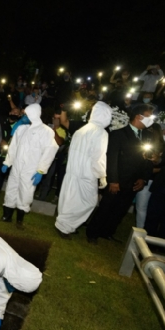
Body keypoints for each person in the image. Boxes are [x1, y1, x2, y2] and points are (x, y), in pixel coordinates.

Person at [86, 104, 155, 243]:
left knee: (120, 210)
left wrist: (144, 178)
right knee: (106, 207)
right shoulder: (119, 134)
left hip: (134, 182)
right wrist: (113, 180)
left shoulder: (148, 136)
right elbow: (112, 158)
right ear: (138, 116)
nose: (151, 119)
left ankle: (108, 232)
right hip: (118, 179)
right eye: (149, 116)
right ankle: (93, 233)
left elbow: (148, 159)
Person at [54, 102, 111, 239]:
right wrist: (102, 175)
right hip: (87, 173)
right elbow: (98, 156)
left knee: (70, 199)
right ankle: (65, 226)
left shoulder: (82, 129)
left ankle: (66, 225)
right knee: (88, 202)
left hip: (73, 171)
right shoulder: (101, 133)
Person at [1, 104, 58, 226]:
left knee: (25, 194)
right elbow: (13, 146)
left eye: (25, 114)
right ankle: (6, 216)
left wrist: (41, 170)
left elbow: (50, 151)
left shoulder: (46, 131)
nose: (23, 116)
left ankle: (19, 221)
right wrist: (7, 162)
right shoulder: (22, 129)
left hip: (31, 169)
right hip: (17, 166)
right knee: (11, 189)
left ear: (33, 114)